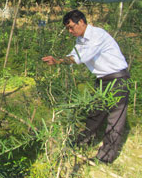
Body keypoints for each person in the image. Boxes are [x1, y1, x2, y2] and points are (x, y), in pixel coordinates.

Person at [42, 9, 129, 163]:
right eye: (67, 28)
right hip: (102, 81)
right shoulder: (80, 40)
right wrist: (57, 61)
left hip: (117, 79)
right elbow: (74, 55)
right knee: (95, 113)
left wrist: (60, 61)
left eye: (71, 27)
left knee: (115, 120)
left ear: (81, 22)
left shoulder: (98, 35)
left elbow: (83, 57)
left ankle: (105, 157)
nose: (70, 31)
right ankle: (81, 142)